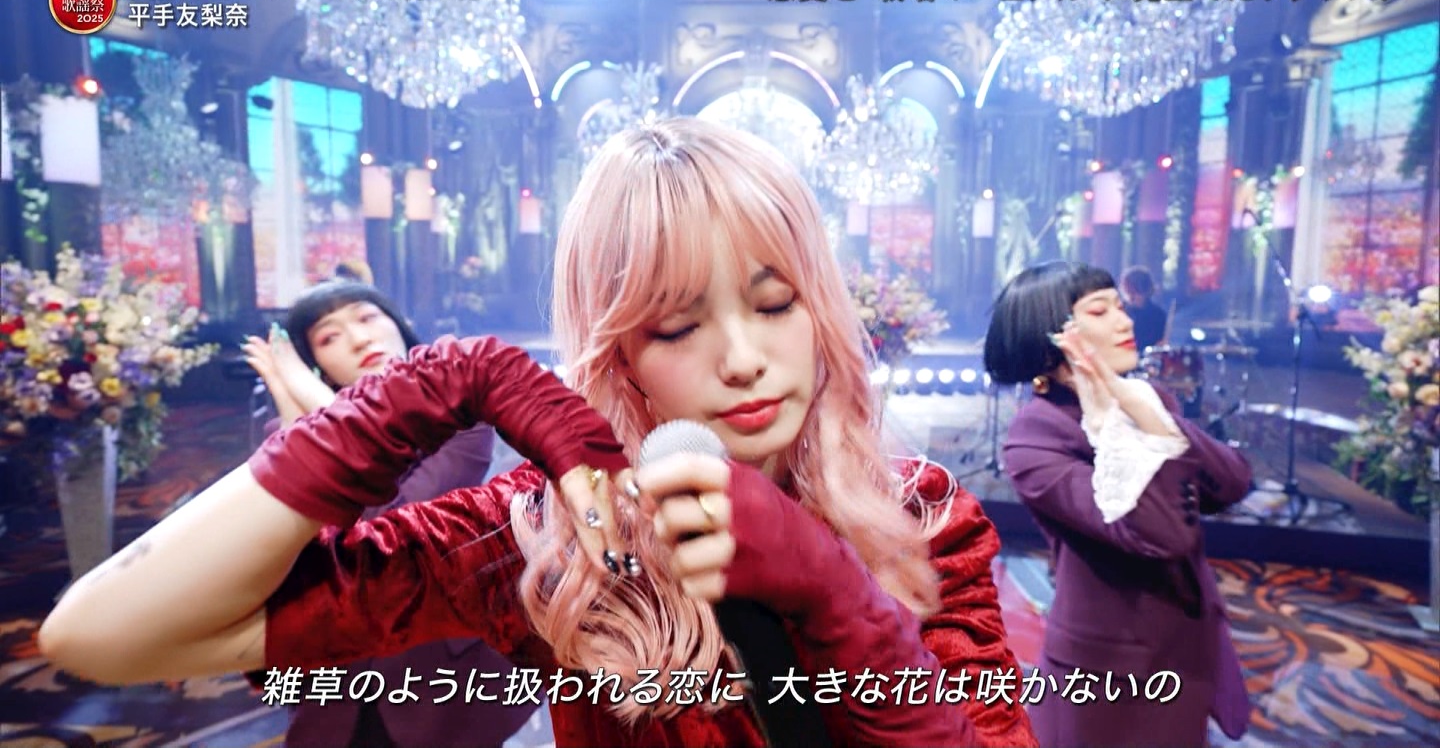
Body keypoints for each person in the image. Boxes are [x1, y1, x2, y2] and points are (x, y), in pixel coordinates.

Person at [39, 118, 1035, 747]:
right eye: (676, 327)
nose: (743, 357)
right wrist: (439, 379)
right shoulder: (550, 535)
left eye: (775, 304)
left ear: (821, 308)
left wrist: (831, 588)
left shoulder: (926, 514)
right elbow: (101, 634)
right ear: (623, 352)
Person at [239, 280, 536, 748]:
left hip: (436, 669)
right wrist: (283, 387)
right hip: (338, 669)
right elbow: (297, 539)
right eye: (329, 337)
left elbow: (392, 520)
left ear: (398, 324)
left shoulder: (460, 413)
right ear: (315, 363)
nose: (359, 339)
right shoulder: (288, 428)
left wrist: (303, 389)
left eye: (366, 317)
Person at [983, 261, 1253, 748]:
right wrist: (1118, 424)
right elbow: (1159, 535)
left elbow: (1232, 483)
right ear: (1053, 337)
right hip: (1110, 675)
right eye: (1099, 311)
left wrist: (1147, 412)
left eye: (1120, 307)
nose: (1125, 321)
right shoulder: (1036, 438)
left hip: (1186, 650)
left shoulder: (1144, 401)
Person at [1120, 265, 1167, 352]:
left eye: (1135, 292)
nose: (1130, 296)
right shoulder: (1120, 312)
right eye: (1128, 292)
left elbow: (1159, 343)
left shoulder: (1158, 315)